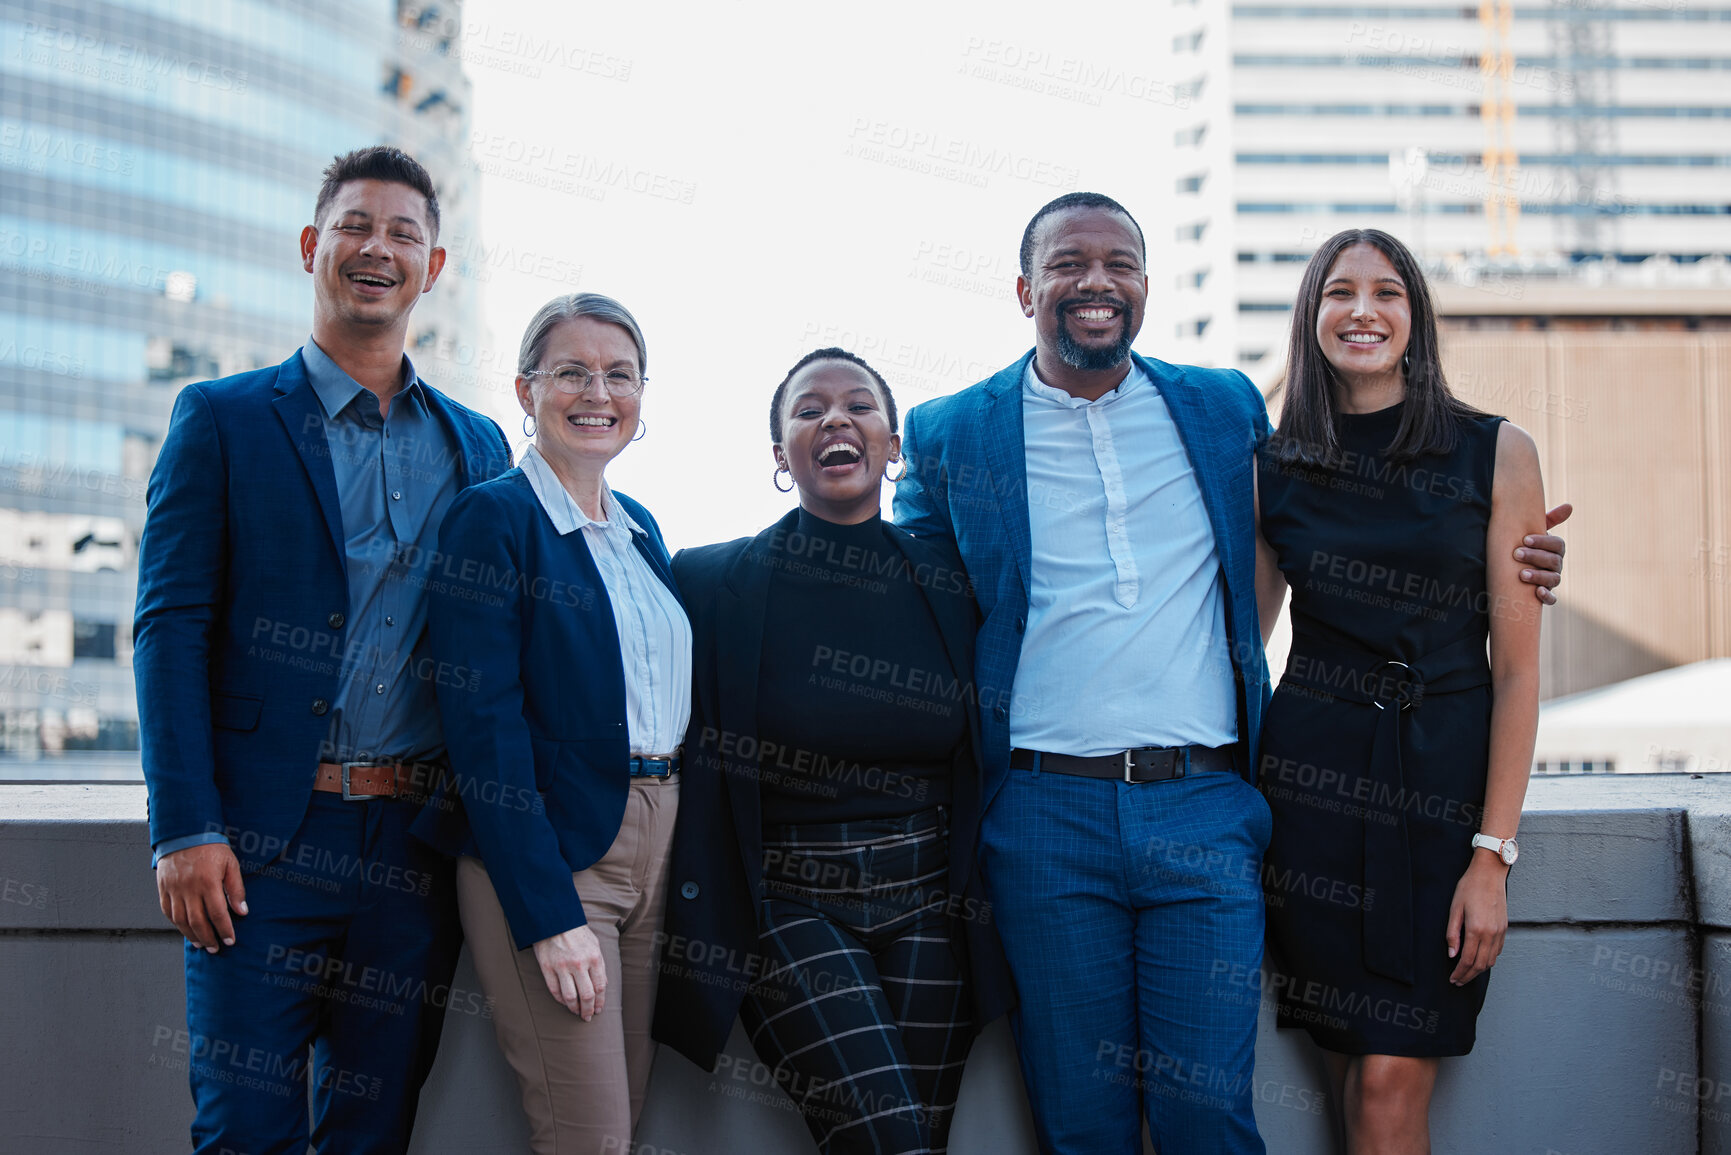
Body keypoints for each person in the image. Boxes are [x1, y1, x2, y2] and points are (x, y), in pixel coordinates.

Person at [890, 192, 1569, 1154]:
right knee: (1081, 1122)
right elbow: (911, 589)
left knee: (1212, 1116)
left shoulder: (1215, 409)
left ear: (1146, 285)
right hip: (1059, 813)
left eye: (1120, 263)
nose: (1096, 283)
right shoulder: (958, 431)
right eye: (1069, 264)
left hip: (1216, 807)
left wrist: (1528, 563)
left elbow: (1433, 576)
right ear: (1023, 287)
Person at [134, 146, 512, 1154]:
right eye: (356, 225)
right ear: (313, 245)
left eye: (404, 234)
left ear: (434, 270)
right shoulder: (220, 420)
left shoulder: (477, 447)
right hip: (258, 844)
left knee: (372, 1133)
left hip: (412, 849)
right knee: (243, 1131)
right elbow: (168, 630)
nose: (376, 248)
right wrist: (183, 828)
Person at [653, 348, 1013, 1153]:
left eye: (859, 405)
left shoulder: (951, 577)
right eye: (808, 410)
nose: (835, 419)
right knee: (886, 1140)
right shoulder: (710, 582)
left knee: (916, 1137)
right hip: (790, 904)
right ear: (781, 456)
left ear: (892, 447)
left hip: (931, 902)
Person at [1253, 228, 1543, 1153]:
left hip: (1441, 795)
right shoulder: (1271, 467)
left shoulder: (1497, 451)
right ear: (1311, 319)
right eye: (1338, 292)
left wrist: (1491, 856)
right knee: (1351, 1079)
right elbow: (1237, 647)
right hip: (1311, 795)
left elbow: (1522, 667)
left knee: (1386, 1082)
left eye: (1386, 292)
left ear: (1414, 317)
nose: (1362, 311)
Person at [410, 293, 689, 1155]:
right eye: (571, 371)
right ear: (526, 390)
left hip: (656, 836)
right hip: (558, 859)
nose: (596, 391)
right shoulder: (493, 519)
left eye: (619, 373)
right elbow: (483, 730)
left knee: (625, 1116)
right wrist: (546, 912)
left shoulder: (639, 529)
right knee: (588, 1137)